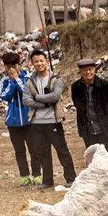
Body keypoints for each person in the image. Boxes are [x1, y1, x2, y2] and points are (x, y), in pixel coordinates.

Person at [22, 49, 76, 189]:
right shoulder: (29, 81)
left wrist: (38, 98)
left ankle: (71, 179)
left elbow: (55, 96)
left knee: (62, 150)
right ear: (32, 63)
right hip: (36, 123)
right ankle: (47, 181)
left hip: (53, 121)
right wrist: (45, 103)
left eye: (41, 61)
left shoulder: (55, 79)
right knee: (43, 153)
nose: (39, 64)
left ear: (47, 61)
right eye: (36, 61)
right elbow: (26, 101)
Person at [0, 52, 40, 186]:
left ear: (19, 65)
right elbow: (4, 96)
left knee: (34, 149)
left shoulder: (28, 77)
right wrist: (11, 82)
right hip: (13, 122)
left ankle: (37, 175)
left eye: (14, 66)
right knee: (19, 151)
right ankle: (24, 176)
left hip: (30, 120)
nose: (11, 69)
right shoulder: (4, 80)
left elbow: (27, 93)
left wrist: (17, 79)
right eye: (8, 66)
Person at [71, 59, 108, 161]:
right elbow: (77, 104)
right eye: (84, 70)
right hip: (88, 131)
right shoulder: (76, 87)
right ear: (80, 71)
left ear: (94, 69)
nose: (88, 72)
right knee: (94, 160)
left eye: (90, 69)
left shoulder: (106, 85)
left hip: (105, 130)